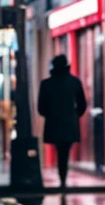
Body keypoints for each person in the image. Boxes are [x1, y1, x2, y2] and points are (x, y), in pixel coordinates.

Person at [37, 54, 87, 190]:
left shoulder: (46, 84)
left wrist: (51, 114)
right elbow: (82, 104)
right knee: (64, 151)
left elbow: (41, 107)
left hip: (54, 122)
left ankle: (62, 178)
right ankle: (63, 177)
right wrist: (74, 115)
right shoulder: (75, 82)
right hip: (70, 122)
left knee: (60, 151)